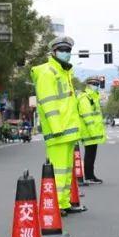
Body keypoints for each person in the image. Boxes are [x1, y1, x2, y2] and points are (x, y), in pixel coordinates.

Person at [32, 36, 81, 212]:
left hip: (68, 130)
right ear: (53, 52)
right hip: (58, 131)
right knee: (59, 170)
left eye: (68, 50)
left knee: (66, 170)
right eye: (62, 50)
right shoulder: (48, 72)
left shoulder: (63, 72)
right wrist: (56, 128)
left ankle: (64, 203)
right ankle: (55, 205)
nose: (66, 53)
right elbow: (48, 103)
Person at [77, 76, 106, 183]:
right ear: (89, 85)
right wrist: (93, 132)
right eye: (95, 85)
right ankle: (89, 177)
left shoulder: (93, 97)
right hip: (89, 132)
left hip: (93, 132)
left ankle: (91, 175)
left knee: (92, 154)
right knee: (89, 155)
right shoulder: (85, 98)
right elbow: (87, 116)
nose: (97, 87)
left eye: (98, 85)